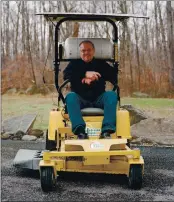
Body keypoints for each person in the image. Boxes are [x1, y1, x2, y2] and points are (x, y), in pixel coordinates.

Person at [63, 40, 118, 139]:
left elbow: (113, 75)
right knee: (70, 96)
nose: (86, 53)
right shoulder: (74, 64)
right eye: (83, 50)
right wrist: (84, 74)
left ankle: (106, 131)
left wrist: (96, 75)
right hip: (80, 99)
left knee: (111, 95)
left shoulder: (101, 64)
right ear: (80, 52)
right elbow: (66, 75)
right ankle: (80, 131)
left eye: (89, 50)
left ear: (93, 51)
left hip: (98, 98)